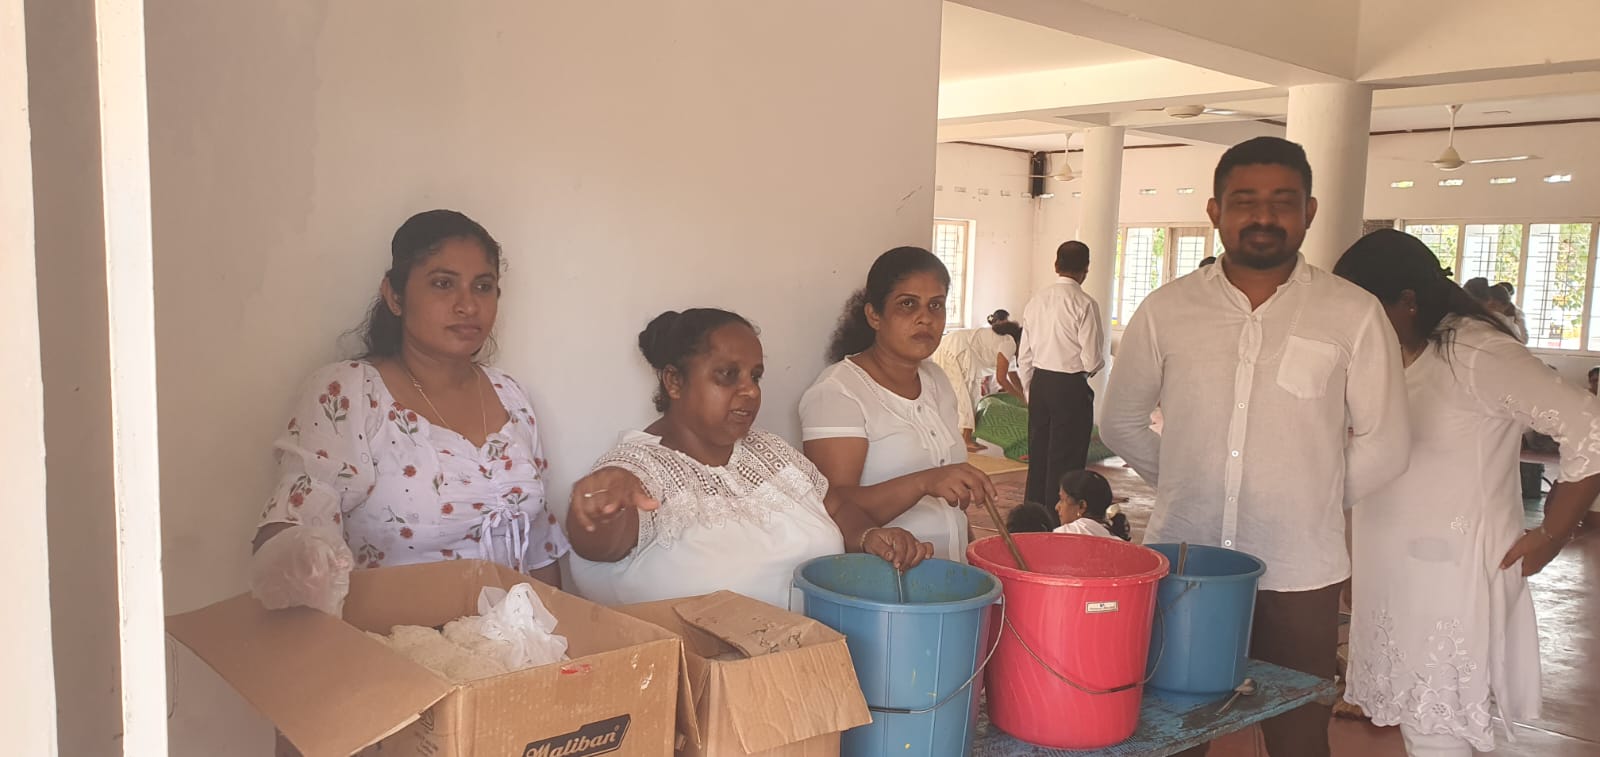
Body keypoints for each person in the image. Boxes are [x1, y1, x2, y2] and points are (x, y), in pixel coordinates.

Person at [1100, 136, 1412, 757]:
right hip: (1187, 559)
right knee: (1174, 726)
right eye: (1245, 200)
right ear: (1215, 211)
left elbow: (1388, 442)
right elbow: (1121, 420)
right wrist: (1188, 479)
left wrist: (1313, 496)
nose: (1263, 216)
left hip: (1301, 568)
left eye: (1282, 201)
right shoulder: (1167, 310)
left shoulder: (1353, 313)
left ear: (1310, 211)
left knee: (1299, 733)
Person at [1333, 230, 1600, 757]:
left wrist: (1551, 532)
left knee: (1442, 726)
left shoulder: (1473, 351)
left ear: (1406, 303)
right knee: (1417, 718)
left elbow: (1589, 424)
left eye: (1364, 308)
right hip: (1390, 568)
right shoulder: (1387, 355)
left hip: (1452, 572)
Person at [249, 210, 569, 616]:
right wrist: (298, 556)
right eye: (443, 284)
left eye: (483, 287)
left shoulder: (511, 396)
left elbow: (540, 548)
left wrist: (561, 641)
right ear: (395, 296)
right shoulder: (350, 394)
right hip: (397, 655)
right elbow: (291, 534)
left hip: (516, 655)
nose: (467, 305)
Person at [563, 309, 932, 609]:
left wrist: (868, 536)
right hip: (706, 688)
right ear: (674, 382)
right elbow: (598, 545)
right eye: (728, 375)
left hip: (812, 668)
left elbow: (834, 505)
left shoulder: (768, 450)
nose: (751, 391)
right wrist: (599, 512)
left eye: (756, 376)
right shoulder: (638, 468)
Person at [801, 247, 998, 563]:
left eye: (936, 305)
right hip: (885, 579)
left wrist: (972, 559)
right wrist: (924, 482)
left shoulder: (938, 381)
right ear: (874, 315)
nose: (925, 318)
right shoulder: (838, 392)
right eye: (908, 304)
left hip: (949, 575)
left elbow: (950, 509)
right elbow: (832, 504)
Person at [1016, 241, 1106, 505]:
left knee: (1039, 453)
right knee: (1066, 456)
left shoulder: (1036, 301)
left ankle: (1034, 514)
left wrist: (1030, 388)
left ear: (1056, 265)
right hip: (1070, 386)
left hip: (1041, 384)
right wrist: (1086, 372)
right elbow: (1092, 359)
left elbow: (1025, 356)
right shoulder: (1085, 303)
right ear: (1086, 269)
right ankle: (1061, 516)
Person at [930, 311, 1025, 452]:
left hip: (956, 348)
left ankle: (963, 437)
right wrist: (1021, 398)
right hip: (956, 349)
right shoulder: (1009, 343)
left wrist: (1025, 395)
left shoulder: (1010, 347)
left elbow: (1013, 376)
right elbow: (1001, 379)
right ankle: (965, 440)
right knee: (964, 396)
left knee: (970, 396)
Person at [1052, 469, 1130, 540]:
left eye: (1062, 500)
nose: (1057, 507)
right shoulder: (1118, 541)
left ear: (1082, 506)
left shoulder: (1063, 534)